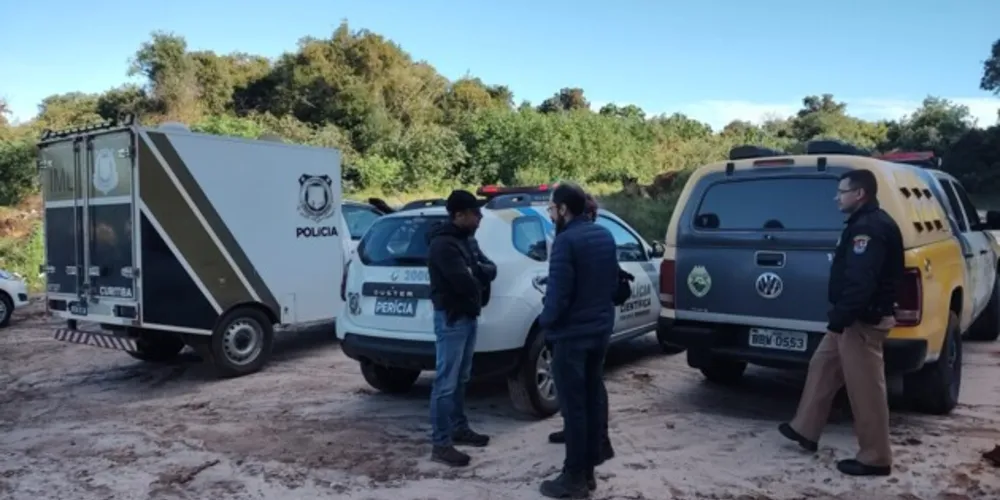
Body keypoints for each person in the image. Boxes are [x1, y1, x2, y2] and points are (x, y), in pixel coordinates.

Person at [778, 169, 903, 477]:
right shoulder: (862, 223)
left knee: (866, 391)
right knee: (822, 365)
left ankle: (875, 458)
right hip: (850, 318)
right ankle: (805, 429)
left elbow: (861, 282)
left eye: (842, 191)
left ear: (859, 194)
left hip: (861, 321)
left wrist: (842, 318)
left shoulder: (869, 229)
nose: (837, 197)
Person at [538, 183, 620, 498]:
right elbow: (612, 284)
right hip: (599, 332)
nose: (550, 214)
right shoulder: (604, 235)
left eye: (551, 209)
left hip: (572, 337)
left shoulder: (565, 242)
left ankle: (573, 477)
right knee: (591, 398)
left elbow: (558, 296)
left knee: (574, 408)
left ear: (563, 209)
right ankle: (588, 472)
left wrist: (546, 322)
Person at [426, 189, 497, 467]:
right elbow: (464, 282)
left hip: (467, 316)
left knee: (461, 377)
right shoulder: (444, 245)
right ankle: (441, 444)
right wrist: (477, 273)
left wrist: (476, 271)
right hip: (453, 318)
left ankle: (458, 427)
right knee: (446, 382)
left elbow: (490, 268)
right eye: (475, 213)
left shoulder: (467, 240)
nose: (480, 217)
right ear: (459, 215)